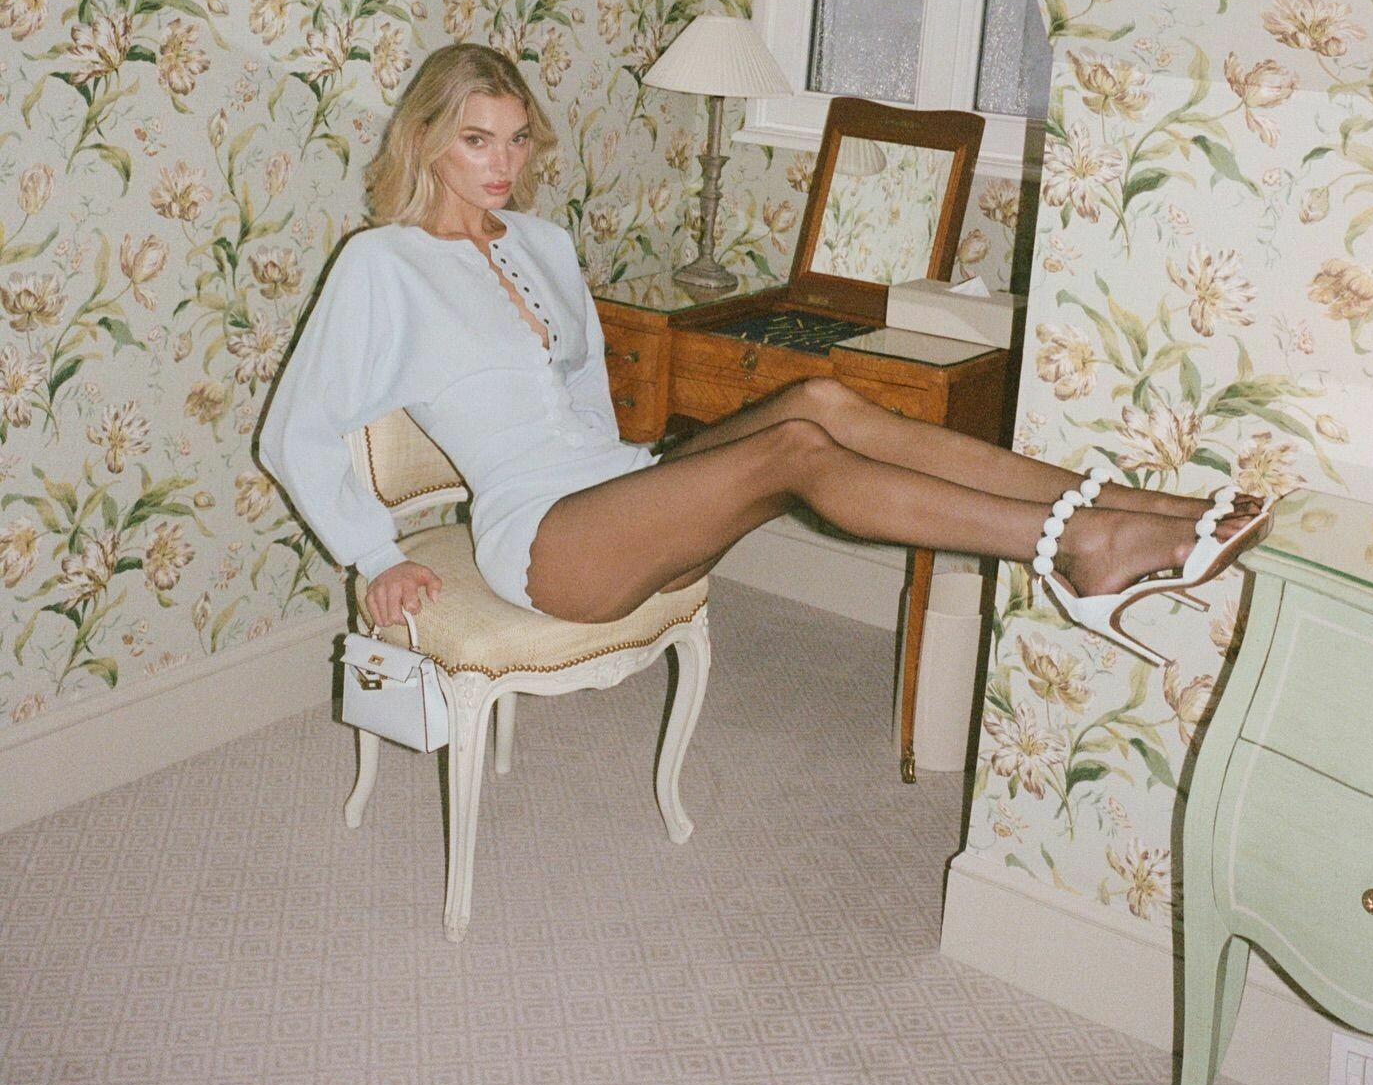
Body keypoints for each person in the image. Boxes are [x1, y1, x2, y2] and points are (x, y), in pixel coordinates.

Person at [256, 44, 1272, 667]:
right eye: (478, 140)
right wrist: (376, 555)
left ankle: (1143, 509)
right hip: (545, 545)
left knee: (821, 396)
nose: (504, 163)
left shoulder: (544, 245)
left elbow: (587, 401)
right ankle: (1078, 547)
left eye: (518, 139)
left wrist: (653, 476)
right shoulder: (383, 266)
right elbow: (296, 431)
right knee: (796, 454)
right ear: (426, 139)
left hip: (619, 491)